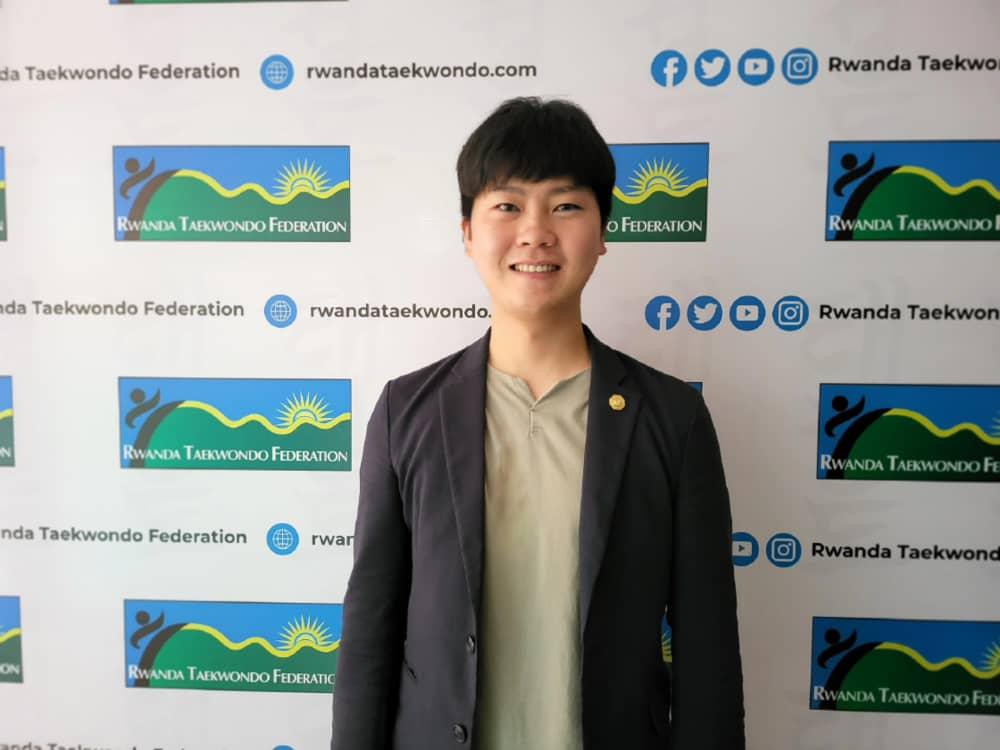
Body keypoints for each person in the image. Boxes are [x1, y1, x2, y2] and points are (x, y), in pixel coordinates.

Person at [331, 97, 744, 749]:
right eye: (507, 205)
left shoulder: (672, 419)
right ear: (467, 233)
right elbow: (369, 635)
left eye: (566, 206)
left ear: (603, 232)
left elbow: (707, 647)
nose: (535, 232)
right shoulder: (405, 413)